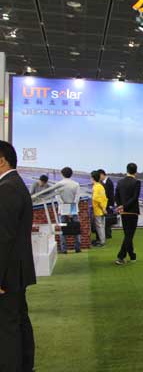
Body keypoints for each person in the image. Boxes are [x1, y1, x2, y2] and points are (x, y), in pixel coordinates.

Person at [0, 141, 36, 372]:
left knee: (8, 327)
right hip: (15, 270)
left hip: (8, 272)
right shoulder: (14, 184)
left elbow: (4, 238)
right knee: (18, 321)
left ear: (2, 161)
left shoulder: (7, 188)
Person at [114, 163, 142, 265]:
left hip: (123, 212)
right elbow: (135, 198)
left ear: (127, 170)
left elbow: (116, 195)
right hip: (132, 211)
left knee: (127, 234)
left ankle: (132, 255)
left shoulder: (120, 182)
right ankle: (120, 256)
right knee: (129, 235)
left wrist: (120, 206)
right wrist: (124, 206)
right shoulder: (137, 182)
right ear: (136, 171)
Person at [56, 166, 82, 254]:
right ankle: (78, 248)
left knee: (62, 230)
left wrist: (66, 210)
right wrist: (71, 211)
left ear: (62, 174)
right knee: (76, 228)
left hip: (62, 210)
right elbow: (77, 199)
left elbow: (58, 199)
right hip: (74, 210)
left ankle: (64, 249)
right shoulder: (76, 184)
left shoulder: (58, 184)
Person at [91, 171, 108, 247]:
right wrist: (104, 208)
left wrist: (102, 208)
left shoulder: (96, 187)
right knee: (102, 226)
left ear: (93, 178)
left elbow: (96, 199)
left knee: (99, 226)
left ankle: (102, 242)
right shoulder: (101, 186)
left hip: (98, 209)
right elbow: (104, 198)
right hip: (102, 208)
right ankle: (102, 240)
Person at [98, 169, 115, 239]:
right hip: (105, 203)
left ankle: (108, 234)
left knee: (108, 219)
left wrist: (111, 205)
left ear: (102, 174)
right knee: (106, 219)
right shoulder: (103, 182)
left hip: (108, 203)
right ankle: (106, 233)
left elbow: (111, 194)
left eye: (99, 176)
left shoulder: (109, 182)